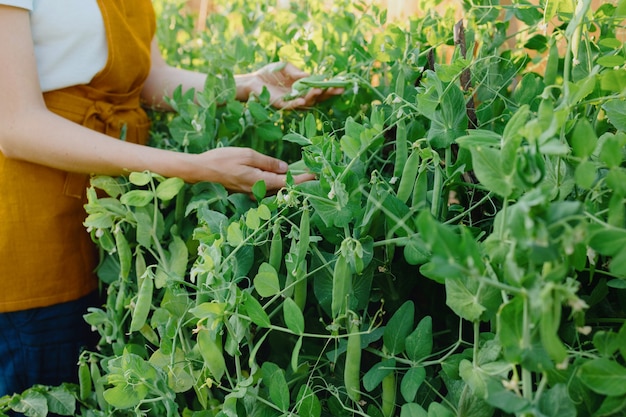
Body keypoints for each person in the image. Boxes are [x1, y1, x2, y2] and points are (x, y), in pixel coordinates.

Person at [0, 0, 340, 398]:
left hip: (117, 217)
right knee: (41, 386)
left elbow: (147, 77)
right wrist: (191, 167)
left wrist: (246, 84)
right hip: (29, 221)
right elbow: (15, 124)